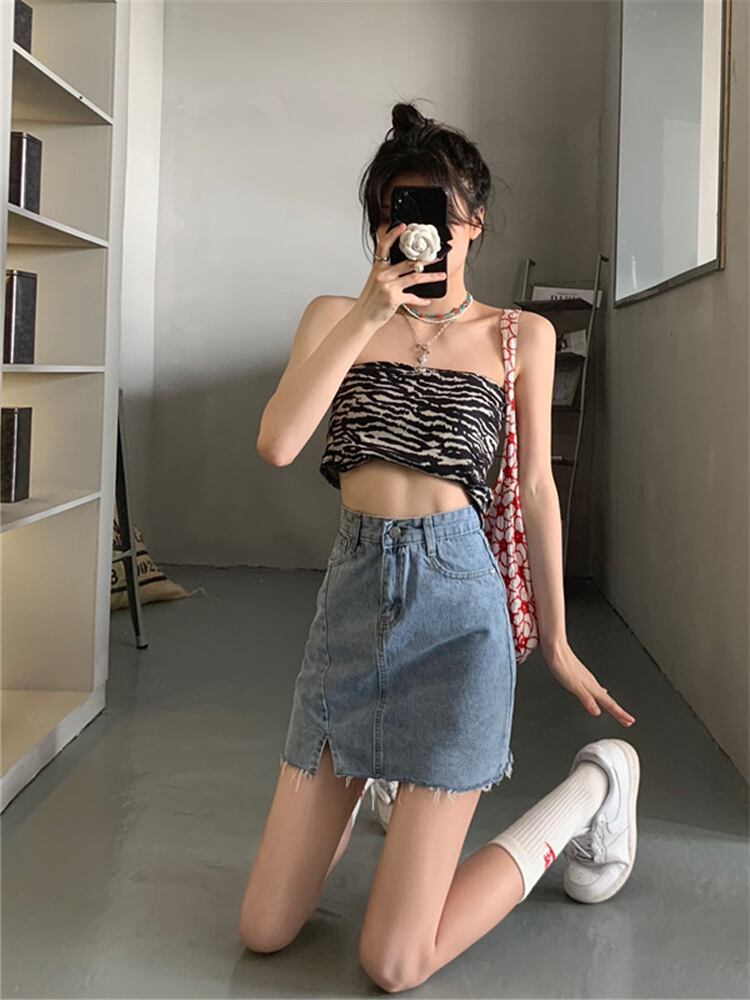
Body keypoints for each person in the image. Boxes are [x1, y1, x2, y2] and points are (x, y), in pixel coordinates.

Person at [239, 100, 640, 993]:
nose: (421, 228)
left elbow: (536, 491)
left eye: (439, 208)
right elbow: (277, 443)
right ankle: (378, 782)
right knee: (264, 930)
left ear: (475, 219)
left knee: (393, 961)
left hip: (460, 620)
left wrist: (559, 643)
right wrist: (367, 312)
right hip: (350, 613)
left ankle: (595, 794)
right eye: (399, 209)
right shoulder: (334, 316)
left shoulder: (519, 337)